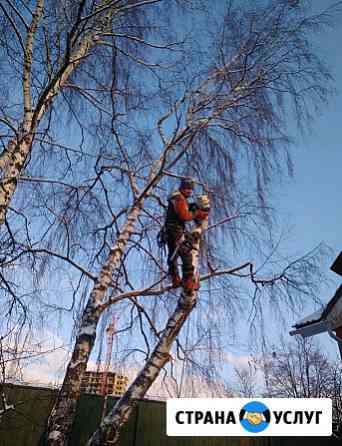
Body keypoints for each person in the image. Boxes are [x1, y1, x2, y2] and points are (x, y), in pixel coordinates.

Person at [165, 178, 209, 290]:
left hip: (171, 230)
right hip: (176, 230)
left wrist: (193, 207)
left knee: (173, 256)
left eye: (191, 190)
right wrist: (197, 213)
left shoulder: (179, 198)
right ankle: (188, 282)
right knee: (186, 255)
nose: (189, 192)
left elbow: (184, 210)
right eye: (187, 189)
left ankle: (175, 278)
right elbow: (184, 215)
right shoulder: (179, 198)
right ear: (183, 188)